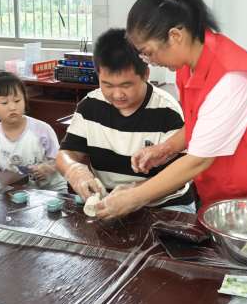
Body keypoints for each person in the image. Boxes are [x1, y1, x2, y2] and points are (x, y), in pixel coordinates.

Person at [95, 0, 247, 219]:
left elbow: (198, 160)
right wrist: (165, 149)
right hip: (229, 193)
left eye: (148, 53)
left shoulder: (231, 77)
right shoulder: (187, 65)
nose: (150, 62)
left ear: (175, 36)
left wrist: (133, 198)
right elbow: (199, 124)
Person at [56, 28, 195, 212]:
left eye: (126, 85)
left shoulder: (167, 110)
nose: (117, 94)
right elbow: (66, 154)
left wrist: (134, 194)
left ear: (146, 75)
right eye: (107, 85)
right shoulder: (90, 106)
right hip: (110, 204)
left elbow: (179, 174)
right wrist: (74, 170)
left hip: (164, 205)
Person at [0, 71, 66, 191]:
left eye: (17, 100)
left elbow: (61, 160)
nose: (13, 107)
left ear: (25, 99)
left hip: (51, 191)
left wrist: (47, 168)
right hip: (15, 193)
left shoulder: (42, 129)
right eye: (4, 103)